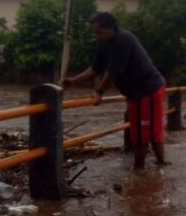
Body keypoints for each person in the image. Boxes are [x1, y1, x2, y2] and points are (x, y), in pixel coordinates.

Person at [64, 12, 166, 170]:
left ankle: (139, 172)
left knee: (141, 135)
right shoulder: (103, 44)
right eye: (95, 33)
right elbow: (95, 68)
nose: (97, 36)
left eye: (99, 32)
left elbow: (113, 71)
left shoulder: (123, 39)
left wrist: (98, 91)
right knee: (148, 129)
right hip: (138, 92)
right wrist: (73, 81)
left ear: (110, 28)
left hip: (146, 90)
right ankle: (161, 165)